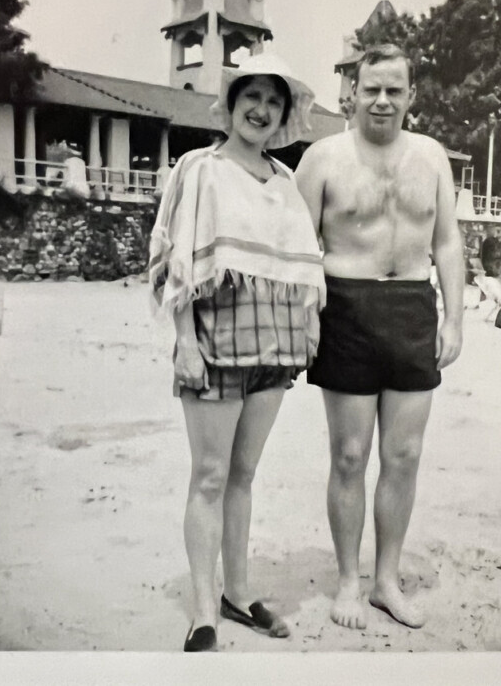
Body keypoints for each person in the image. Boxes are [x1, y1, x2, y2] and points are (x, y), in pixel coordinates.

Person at [148, 53, 325, 652]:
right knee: (209, 476)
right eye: (251, 96)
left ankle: (239, 593)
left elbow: (295, 265)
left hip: (272, 346)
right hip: (214, 342)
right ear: (230, 104)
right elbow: (175, 261)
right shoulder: (200, 169)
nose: (261, 109)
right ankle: (203, 610)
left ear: (284, 114)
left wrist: (303, 337)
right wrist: (186, 342)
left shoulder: (285, 182)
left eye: (273, 101)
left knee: (244, 475)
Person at [295, 44, 464, 630]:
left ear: (411, 95)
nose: (383, 100)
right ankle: (348, 581)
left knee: (405, 455)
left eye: (395, 89)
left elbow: (446, 240)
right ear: (353, 92)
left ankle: (385, 581)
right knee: (349, 456)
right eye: (372, 89)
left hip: (413, 307)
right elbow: (296, 248)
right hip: (345, 308)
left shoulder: (432, 156)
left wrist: (455, 318)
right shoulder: (322, 158)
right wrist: (304, 316)